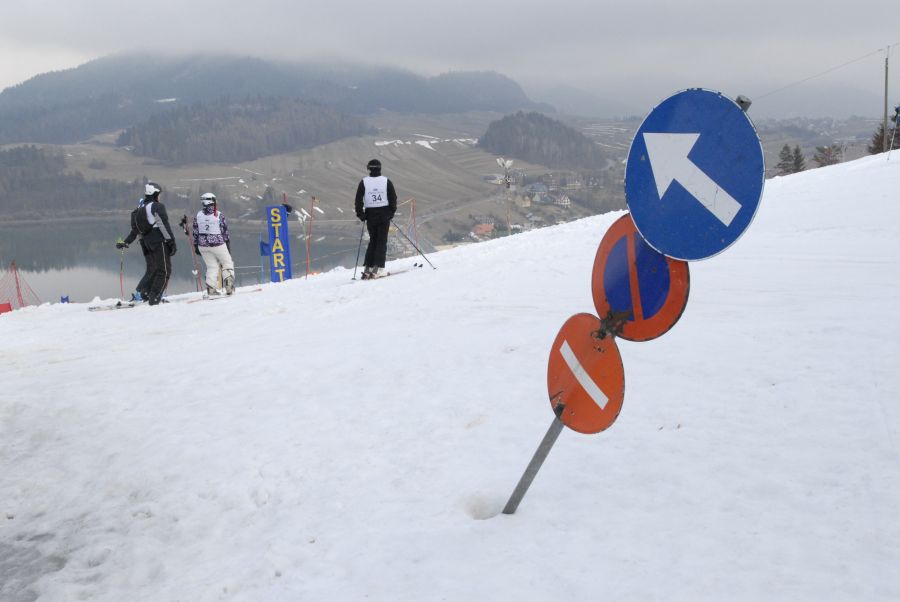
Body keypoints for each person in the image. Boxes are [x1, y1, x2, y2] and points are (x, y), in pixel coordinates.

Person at [129, 182, 176, 305]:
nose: (160, 196)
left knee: (155, 268)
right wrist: (171, 242)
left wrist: (127, 241)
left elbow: (136, 229)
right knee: (165, 270)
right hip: (158, 241)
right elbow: (163, 225)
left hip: (146, 242)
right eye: (159, 194)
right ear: (155, 193)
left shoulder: (141, 206)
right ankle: (154, 297)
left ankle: (146, 292)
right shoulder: (157, 206)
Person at [354, 158, 397, 279]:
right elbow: (393, 198)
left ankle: (368, 267)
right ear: (380, 168)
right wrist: (391, 212)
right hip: (384, 213)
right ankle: (379, 268)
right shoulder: (386, 181)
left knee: (373, 240)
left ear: (369, 169)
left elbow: (358, 200)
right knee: (381, 241)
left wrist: (361, 215)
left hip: (370, 214)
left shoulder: (364, 182)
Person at [192, 192, 235, 296]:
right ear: (212, 201)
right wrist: (228, 246)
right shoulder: (219, 215)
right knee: (227, 263)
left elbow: (195, 232)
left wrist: (196, 245)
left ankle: (211, 289)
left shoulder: (198, 215)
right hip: (218, 244)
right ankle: (229, 286)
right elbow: (224, 232)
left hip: (202, 245)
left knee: (211, 266)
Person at [117, 197, 153, 301]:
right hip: (152, 243)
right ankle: (140, 292)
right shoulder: (147, 212)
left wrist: (126, 242)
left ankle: (146, 293)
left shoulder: (137, 214)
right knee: (153, 269)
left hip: (144, 243)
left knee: (152, 268)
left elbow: (134, 232)